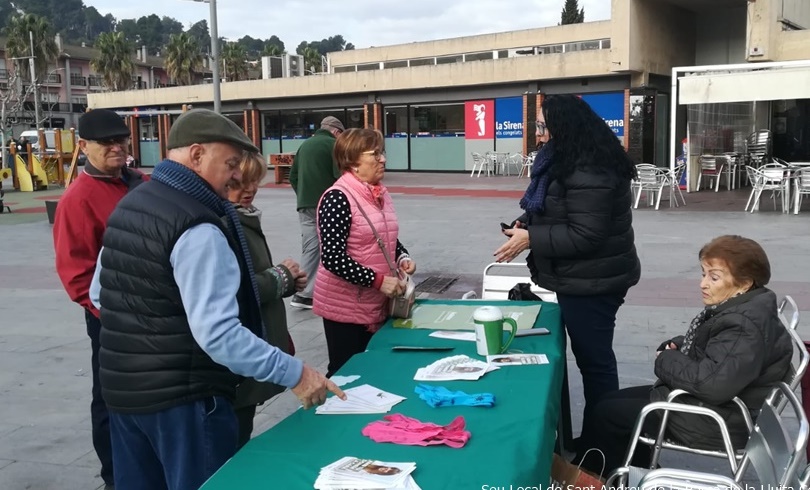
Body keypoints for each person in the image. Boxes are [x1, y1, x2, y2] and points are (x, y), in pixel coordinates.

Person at [88, 109, 344, 490]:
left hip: (126, 395)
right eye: (231, 163)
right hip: (186, 403)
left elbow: (101, 294)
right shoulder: (197, 224)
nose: (238, 174)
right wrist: (296, 373)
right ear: (196, 155)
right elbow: (219, 335)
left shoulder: (132, 203)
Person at [576, 235, 792, 474]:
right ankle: (638, 472)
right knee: (608, 402)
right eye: (703, 274)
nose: (703, 284)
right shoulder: (745, 307)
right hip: (717, 406)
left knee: (609, 415)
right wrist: (681, 345)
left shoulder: (743, 324)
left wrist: (666, 359)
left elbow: (712, 384)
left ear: (744, 283)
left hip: (717, 420)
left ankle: (612, 476)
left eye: (714, 277)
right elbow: (719, 352)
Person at [493, 94, 641, 442]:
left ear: (565, 127)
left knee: (595, 363)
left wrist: (530, 238)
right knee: (593, 360)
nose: (538, 134)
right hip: (581, 275)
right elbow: (555, 207)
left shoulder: (591, 167)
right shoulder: (566, 158)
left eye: (543, 126)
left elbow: (586, 233)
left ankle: (602, 446)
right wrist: (525, 222)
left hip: (595, 280)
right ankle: (594, 438)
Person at [52, 108, 147, 489]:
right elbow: (76, 274)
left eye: (120, 139)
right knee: (109, 397)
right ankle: (114, 474)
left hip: (155, 311)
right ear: (83, 146)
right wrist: (110, 314)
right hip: (111, 316)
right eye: (105, 141)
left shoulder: (139, 182)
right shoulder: (78, 199)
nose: (115, 146)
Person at [313, 128, 415, 377]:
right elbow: (333, 258)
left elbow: (383, 235)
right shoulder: (337, 198)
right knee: (346, 374)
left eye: (383, 153)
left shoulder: (378, 192)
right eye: (375, 154)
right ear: (353, 162)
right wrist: (378, 281)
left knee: (373, 371)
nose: (383, 159)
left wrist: (402, 257)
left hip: (374, 303)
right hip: (346, 308)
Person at [226, 152, 306, 449]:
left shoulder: (243, 217)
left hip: (252, 345)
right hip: (240, 352)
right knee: (232, 439)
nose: (249, 189)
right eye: (241, 182)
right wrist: (280, 277)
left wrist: (285, 281)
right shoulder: (226, 222)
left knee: (240, 430)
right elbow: (238, 288)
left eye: (254, 181)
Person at [289, 116, 345, 309]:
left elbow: (292, 176)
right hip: (326, 205)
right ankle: (305, 294)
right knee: (329, 246)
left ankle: (306, 290)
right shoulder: (333, 146)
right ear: (336, 132)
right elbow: (339, 177)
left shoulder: (305, 145)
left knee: (311, 245)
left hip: (305, 203)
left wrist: (303, 194)